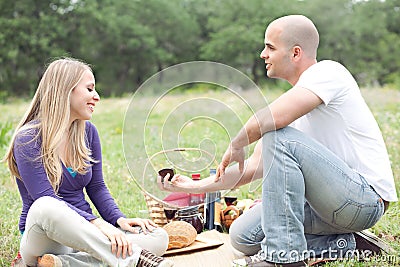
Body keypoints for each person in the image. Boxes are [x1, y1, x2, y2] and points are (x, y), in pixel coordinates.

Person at [159, 15, 397, 266]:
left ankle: (283, 258)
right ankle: (347, 244)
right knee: (243, 236)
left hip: (363, 201)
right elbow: (251, 168)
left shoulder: (328, 72)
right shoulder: (294, 103)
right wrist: (191, 187)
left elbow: (269, 122)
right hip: (325, 208)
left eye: (270, 47)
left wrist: (237, 143)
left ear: (295, 53)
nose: (263, 54)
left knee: (275, 134)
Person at [3, 58, 173, 267]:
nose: (97, 97)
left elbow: (97, 187)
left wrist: (118, 220)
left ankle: (60, 264)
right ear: (66, 90)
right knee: (46, 205)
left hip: (86, 237)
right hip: (46, 238)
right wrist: (98, 225)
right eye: (90, 89)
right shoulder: (28, 139)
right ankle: (133, 261)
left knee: (158, 237)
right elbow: (44, 196)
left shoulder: (88, 133)